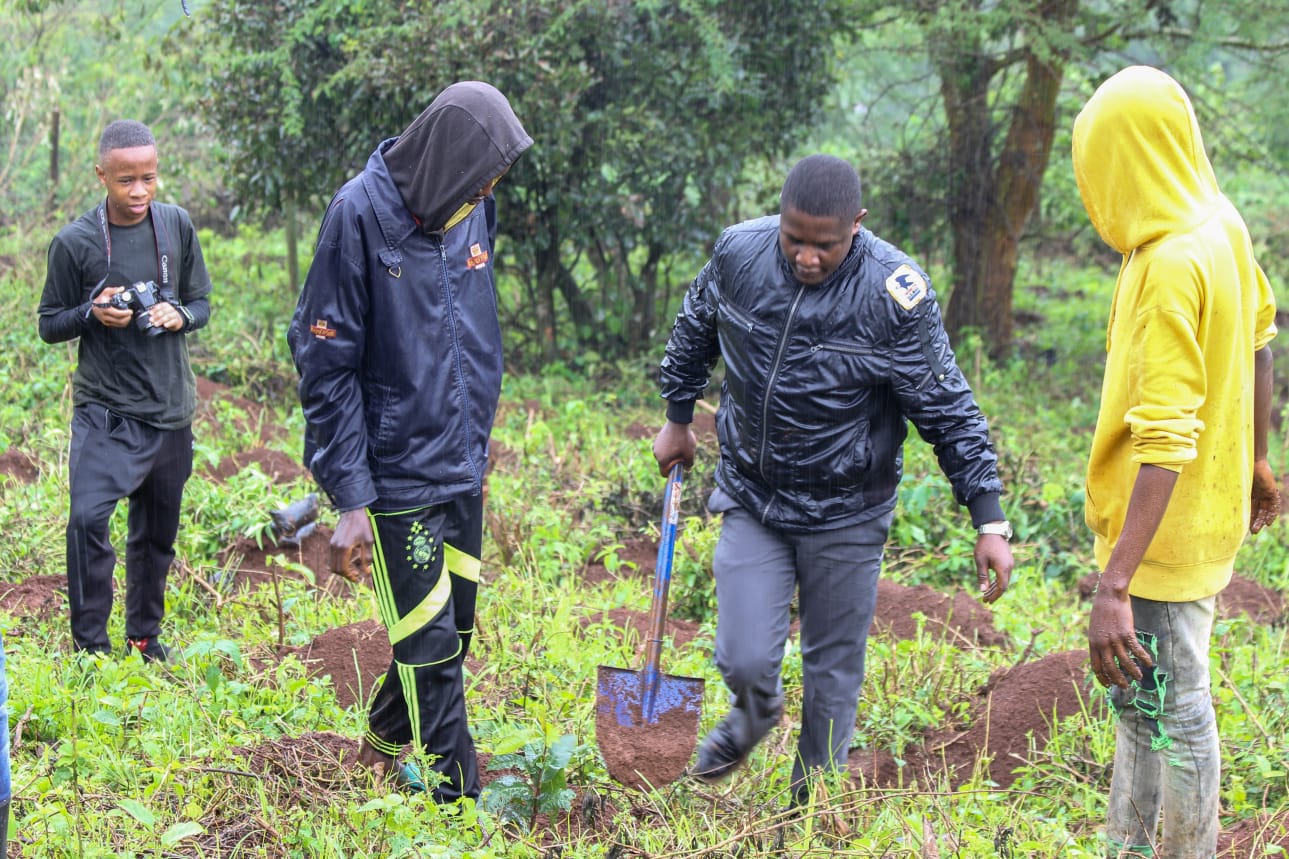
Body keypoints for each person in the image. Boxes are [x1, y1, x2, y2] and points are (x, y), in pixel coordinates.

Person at [652, 153, 1015, 805]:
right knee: (742, 656)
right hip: (754, 493)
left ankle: (809, 808)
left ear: (857, 224)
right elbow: (694, 327)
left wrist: (987, 517)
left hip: (847, 508)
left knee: (831, 669)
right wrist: (678, 418)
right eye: (794, 239)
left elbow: (945, 405)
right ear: (780, 220)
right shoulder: (738, 253)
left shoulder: (894, 292)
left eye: (825, 244)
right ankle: (754, 713)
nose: (806, 257)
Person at [288, 81, 532, 804]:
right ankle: (458, 797)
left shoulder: (468, 201)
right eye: (481, 177)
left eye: (493, 181)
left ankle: (382, 744)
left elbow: (471, 329)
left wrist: (477, 436)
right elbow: (324, 366)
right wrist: (351, 497)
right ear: (446, 159)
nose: (487, 192)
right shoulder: (356, 216)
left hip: (460, 457)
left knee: (453, 625)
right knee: (427, 643)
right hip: (394, 475)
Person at [1073, 66, 1280, 859]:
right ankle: (1126, 847)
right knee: (1143, 704)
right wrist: (1258, 460)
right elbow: (1261, 338)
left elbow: (1163, 440)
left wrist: (1115, 582)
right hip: (1206, 511)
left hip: (1157, 538)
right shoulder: (1216, 219)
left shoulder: (1166, 266)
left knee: (1176, 707)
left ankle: (1182, 851)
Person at [38, 119, 212, 662]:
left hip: (170, 410)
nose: (139, 192)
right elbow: (49, 324)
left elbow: (202, 303)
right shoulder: (75, 242)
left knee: (155, 536)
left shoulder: (177, 225)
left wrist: (177, 314)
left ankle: (144, 637)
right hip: (106, 413)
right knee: (87, 521)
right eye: (126, 181)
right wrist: (91, 313)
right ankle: (90, 648)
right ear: (102, 176)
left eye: (149, 179)